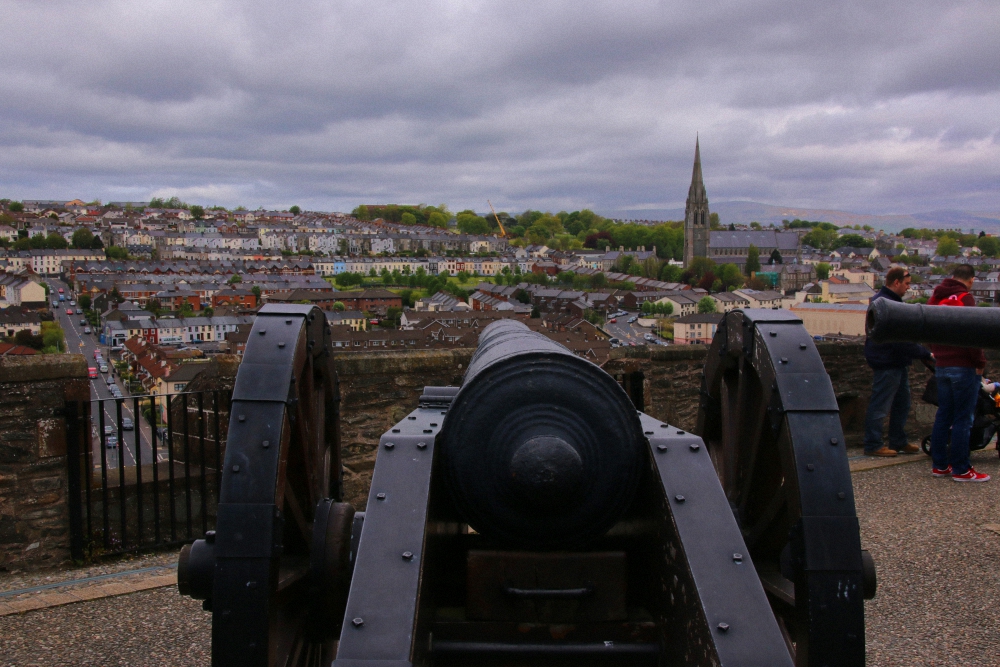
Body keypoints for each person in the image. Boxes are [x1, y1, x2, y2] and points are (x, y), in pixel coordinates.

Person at [928, 264, 990, 482]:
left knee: (943, 416)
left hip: (942, 364)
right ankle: (961, 469)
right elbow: (972, 335)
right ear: (971, 280)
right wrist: (979, 362)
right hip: (963, 365)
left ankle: (940, 465)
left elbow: (923, 327)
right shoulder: (966, 298)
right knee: (964, 418)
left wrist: (935, 351)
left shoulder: (935, 298)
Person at [863, 267, 931, 457]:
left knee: (902, 404)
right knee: (880, 405)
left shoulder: (885, 302)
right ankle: (873, 444)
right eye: (907, 284)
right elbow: (899, 340)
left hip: (895, 361)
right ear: (896, 282)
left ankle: (898, 440)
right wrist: (924, 353)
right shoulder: (886, 305)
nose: (909, 288)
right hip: (887, 361)